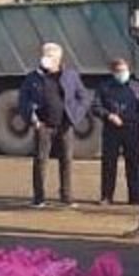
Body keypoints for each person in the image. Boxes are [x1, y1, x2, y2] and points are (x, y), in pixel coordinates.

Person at [18, 42, 90, 208]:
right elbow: (23, 101)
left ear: (59, 59)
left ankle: (66, 196)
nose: (46, 58)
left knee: (66, 160)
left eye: (50, 56)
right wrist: (33, 120)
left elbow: (83, 97)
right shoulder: (32, 78)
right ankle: (39, 197)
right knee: (40, 160)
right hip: (43, 126)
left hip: (65, 125)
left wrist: (75, 116)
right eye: (45, 55)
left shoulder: (70, 75)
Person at [93, 58, 139, 205]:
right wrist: (109, 115)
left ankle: (135, 197)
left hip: (132, 129)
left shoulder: (136, 87)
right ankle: (107, 196)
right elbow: (96, 107)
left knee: (134, 164)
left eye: (124, 70)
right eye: (119, 71)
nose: (122, 73)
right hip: (112, 130)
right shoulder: (104, 87)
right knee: (109, 164)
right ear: (113, 72)